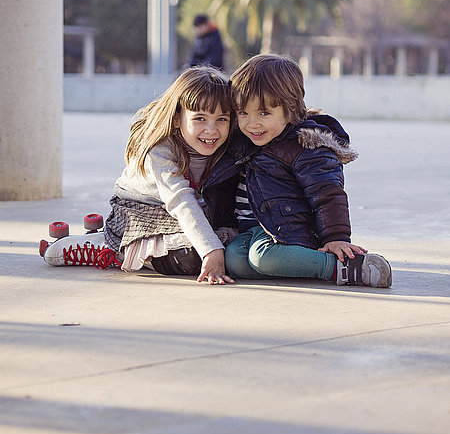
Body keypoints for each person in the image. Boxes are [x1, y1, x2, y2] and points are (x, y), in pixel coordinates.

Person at [201, 54, 392, 287]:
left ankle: (341, 267)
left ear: (289, 109)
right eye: (243, 113)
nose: (252, 123)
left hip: (290, 231)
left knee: (262, 258)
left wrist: (336, 237)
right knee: (234, 261)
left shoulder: (305, 145)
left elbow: (327, 193)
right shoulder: (245, 142)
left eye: (263, 113)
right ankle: (300, 265)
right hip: (253, 230)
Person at [40, 67, 236, 285]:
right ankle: (111, 248)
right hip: (140, 214)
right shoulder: (160, 149)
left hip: (187, 214)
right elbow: (180, 201)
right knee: (191, 257)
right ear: (177, 118)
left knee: (230, 243)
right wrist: (210, 249)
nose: (212, 130)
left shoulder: (227, 145)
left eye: (222, 119)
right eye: (200, 118)